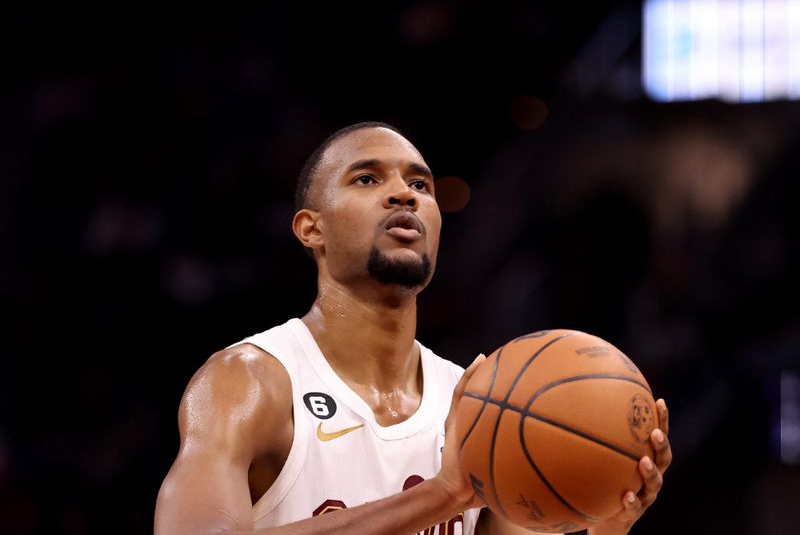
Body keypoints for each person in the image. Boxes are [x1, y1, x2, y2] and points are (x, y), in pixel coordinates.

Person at [154, 122, 672, 534]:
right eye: (367, 178)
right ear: (313, 228)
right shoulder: (249, 381)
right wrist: (443, 494)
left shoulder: (479, 403)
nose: (404, 194)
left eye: (419, 184)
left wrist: (609, 521)